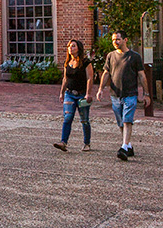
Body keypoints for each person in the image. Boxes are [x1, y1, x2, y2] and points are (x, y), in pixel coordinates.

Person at [95, 30, 148, 161]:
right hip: (115, 94)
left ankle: (123, 147)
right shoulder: (111, 56)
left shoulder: (134, 57)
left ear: (125, 40)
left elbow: (141, 75)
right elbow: (106, 73)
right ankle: (128, 145)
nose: (115, 42)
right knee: (120, 122)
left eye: (118, 39)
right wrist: (100, 88)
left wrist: (146, 94)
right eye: (113, 40)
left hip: (130, 94)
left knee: (127, 120)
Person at [54, 40, 93, 152]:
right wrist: (61, 92)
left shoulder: (86, 62)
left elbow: (90, 78)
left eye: (73, 46)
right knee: (67, 118)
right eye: (69, 46)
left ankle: (87, 143)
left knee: (84, 120)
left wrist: (88, 93)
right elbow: (65, 79)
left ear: (78, 48)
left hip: (82, 94)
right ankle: (63, 142)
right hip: (70, 94)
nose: (70, 48)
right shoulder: (67, 63)